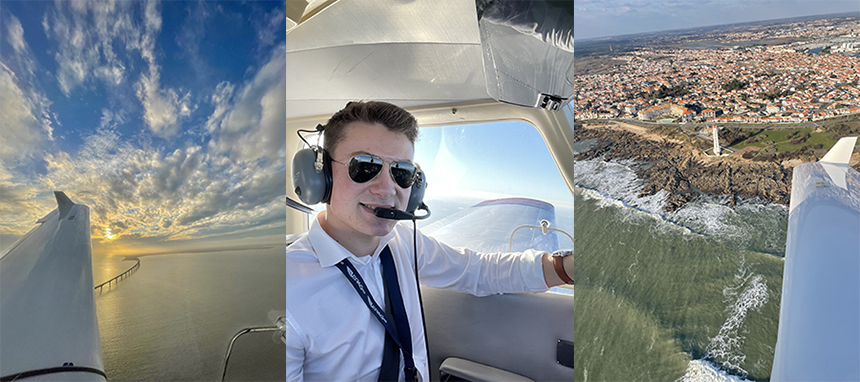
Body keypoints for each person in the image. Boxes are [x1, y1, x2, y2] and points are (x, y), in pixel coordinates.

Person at [285, 101, 573, 381]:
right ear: (319, 175)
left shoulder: (403, 242)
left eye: (402, 172)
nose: (387, 189)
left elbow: (477, 270)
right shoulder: (288, 288)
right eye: (364, 166)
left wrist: (564, 268)